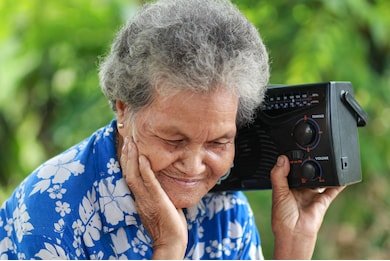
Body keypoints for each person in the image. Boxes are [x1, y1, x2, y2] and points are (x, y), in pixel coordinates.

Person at [0, 0, 345, 259]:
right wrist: (169, 248)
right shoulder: (49, 211)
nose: (195, 166)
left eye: (218, 142)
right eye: (174, 140)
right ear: (123, 108)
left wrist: (293, 247)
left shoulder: (223, 208)